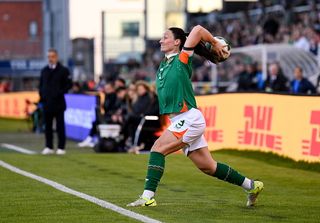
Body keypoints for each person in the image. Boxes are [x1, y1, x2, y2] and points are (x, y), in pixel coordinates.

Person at [127, 26, 264, 207]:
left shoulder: (182, 58)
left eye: (165, 37)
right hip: (179, 120)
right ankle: (252, 185)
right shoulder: (164, 64)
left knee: (157, 149)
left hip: (189, 118)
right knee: (209, 167)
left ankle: (147, 197)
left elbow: (198, 30)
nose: (161, 40)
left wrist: (214, 43)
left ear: (177, 42)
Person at [39, 49, 72, 155]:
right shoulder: (44, 70)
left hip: (58, 103)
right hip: (47, 103)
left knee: (60, 126)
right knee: (47, 127)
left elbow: (68, 85)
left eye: (52, 56)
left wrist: (59, 92)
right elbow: (41, 85)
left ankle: (61, 147)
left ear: (56, 57)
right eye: (49, 57)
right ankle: (49, 146)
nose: (50, 59)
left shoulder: (63, 70)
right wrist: (42, 95)